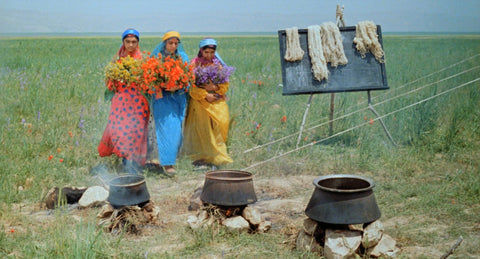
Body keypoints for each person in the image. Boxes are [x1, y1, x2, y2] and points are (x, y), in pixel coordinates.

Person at [98, 28, 149, 174]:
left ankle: (132, 163)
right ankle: (124, 160)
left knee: (136, 130)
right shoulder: (117, 60)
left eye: (134, 42)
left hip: (139, 101)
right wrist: (117, 80)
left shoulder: (143, 59)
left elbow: (149, 80)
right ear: (123, 42)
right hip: (121, 100)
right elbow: (109, 81)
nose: (131, 45)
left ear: (138, 43)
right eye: (128, 42)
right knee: (120, 128)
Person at [183, 38, 233, 168]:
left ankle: (216, 157)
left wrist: (215, 89)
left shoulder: (218, 65)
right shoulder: (194, 65)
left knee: (222, 121)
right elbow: (190, 86)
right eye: (206, 52)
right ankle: (202, 157)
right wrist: (205, 95)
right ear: (201, 51)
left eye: (212, 52)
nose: (209, 55)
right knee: (203, 126)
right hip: (200, 100)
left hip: (216, 99)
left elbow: (225, 85)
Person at [150, 31, 190, 174]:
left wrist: (178, 86)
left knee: (176, 131)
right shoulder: (157, 59)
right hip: (162, 99)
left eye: (176, 43)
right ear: (165, 43)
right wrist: (162, 85)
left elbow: (189, 79)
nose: (173, 46)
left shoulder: (183, 58)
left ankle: (168, 158)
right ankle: (168, 165)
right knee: (167, 128)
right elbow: (149, 79)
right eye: (170, 43)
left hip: (178, 98)